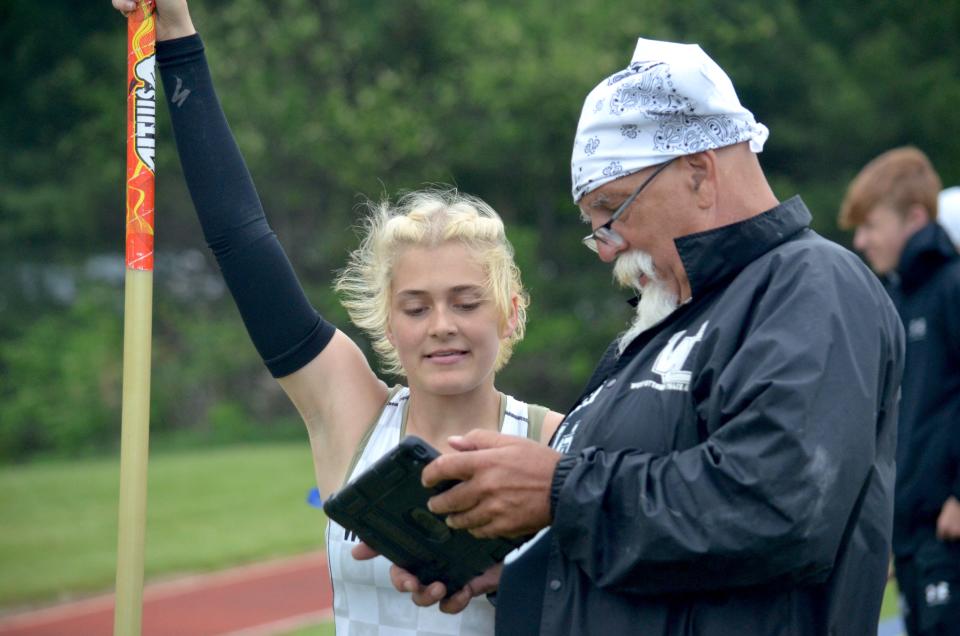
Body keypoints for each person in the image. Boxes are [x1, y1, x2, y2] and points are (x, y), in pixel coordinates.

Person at [392, 37, 905, 635]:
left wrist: (557, 490)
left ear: (699, 173)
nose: (609, 247)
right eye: (595, 228)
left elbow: (781, 506)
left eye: (613, 210)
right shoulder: (663, 322)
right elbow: (653, 545)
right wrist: (528, 565)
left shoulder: (812, 287)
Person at [111, 1, 564, 634]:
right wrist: (176, 37)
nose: (441, 325)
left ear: (510, 313)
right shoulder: (350, 413)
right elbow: (243, 243)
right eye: (415, 306)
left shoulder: (557, 442)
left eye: (466, 302)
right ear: (388, 322)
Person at [838, 147, 960, 636]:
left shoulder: (952, 286)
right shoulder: (894, 301)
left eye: (871, 226)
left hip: (948, 528)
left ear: (914, 217)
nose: (861, 241)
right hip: (913, 535)